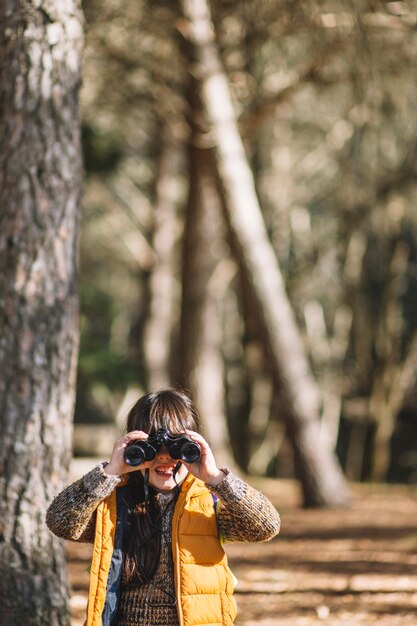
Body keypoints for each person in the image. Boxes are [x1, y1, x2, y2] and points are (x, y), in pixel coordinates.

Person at [46, 388, 280, 626]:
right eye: (151, 446)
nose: (164, 457)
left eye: (176, 447)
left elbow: (265, 526)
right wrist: (109, 473)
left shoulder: (208, 503)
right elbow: (60, 521)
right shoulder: (116, 505)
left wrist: (216, 478)